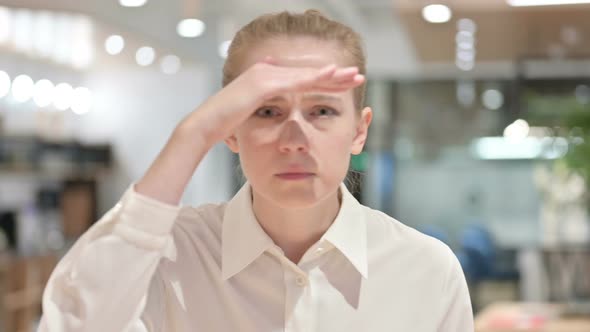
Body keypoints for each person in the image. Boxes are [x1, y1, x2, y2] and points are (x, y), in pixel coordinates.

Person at [38, 10, 473, 332]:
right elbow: (77, 323)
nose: (294, 137)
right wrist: (192, 135)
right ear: (230, 129)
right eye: (266, 110)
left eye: (322, 109)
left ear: (359, 132)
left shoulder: (426, 270)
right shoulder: (169, 257)